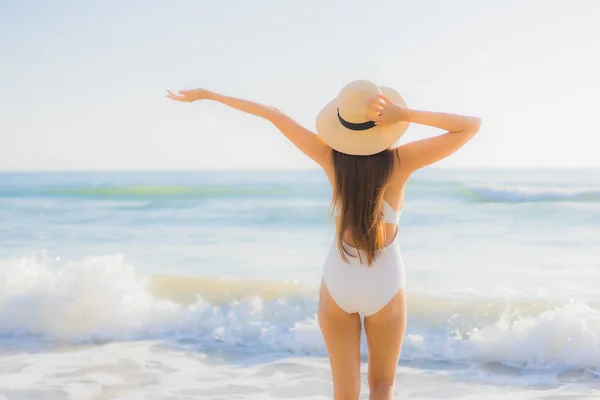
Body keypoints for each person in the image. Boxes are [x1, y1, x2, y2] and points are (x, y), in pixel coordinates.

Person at [167, 80, 481, 400]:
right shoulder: (402, 161)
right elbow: (470, 127)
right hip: (385, 278)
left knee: (344, 394)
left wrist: (209, 95)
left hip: (340, 276)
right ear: (384, 125)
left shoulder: (329, 157)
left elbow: (272, 114)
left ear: (341, 124)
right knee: (382, 385)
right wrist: (404, 114)